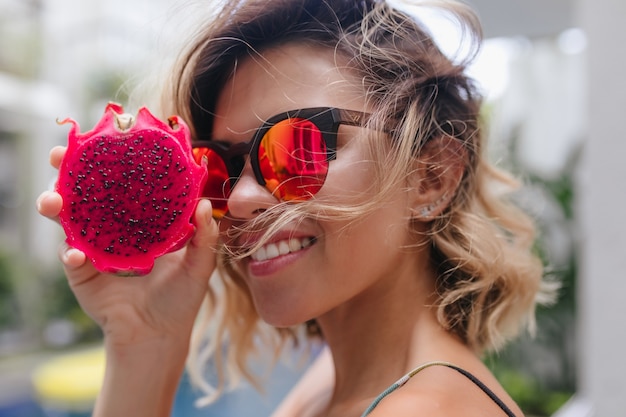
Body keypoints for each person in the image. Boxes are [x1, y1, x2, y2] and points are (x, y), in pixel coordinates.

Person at [37, 0, 553, 415]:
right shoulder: (342, 382)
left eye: (295, 149)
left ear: (430, 176)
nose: (237, 200)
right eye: (217, 168)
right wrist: (144, 339)